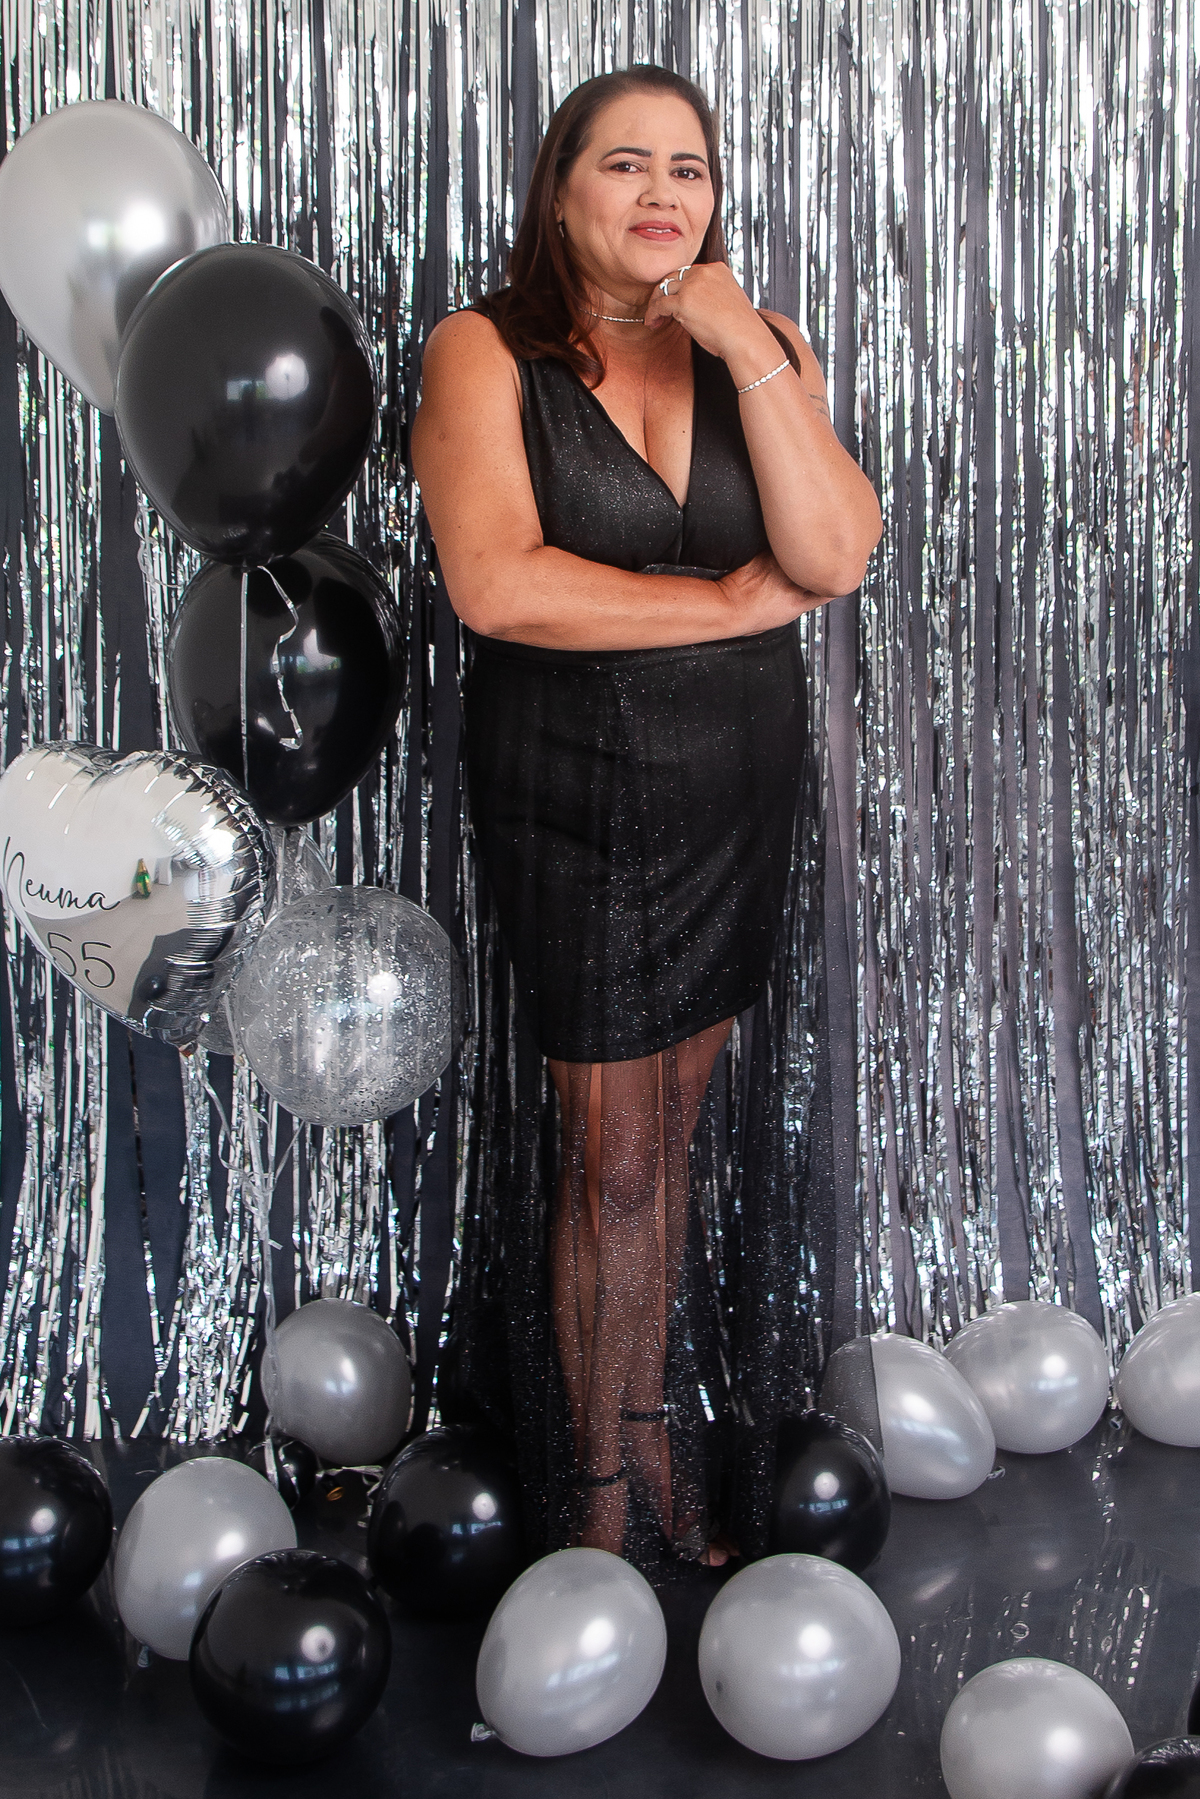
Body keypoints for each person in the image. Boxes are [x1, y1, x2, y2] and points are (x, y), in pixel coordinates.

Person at [412, 65, 880, 1566]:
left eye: (689, 167)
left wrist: (743, 344)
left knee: (669, 1144)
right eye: (625, 164)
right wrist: (732, 604)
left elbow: (836, 553)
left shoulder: (762, 345)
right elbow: (500, 586)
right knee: (611, 1160)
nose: (663, 193)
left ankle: (652, 1428)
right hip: (577, 798)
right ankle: (603, 1490)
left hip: (734, 788)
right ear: (562, 193)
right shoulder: (484, 351)